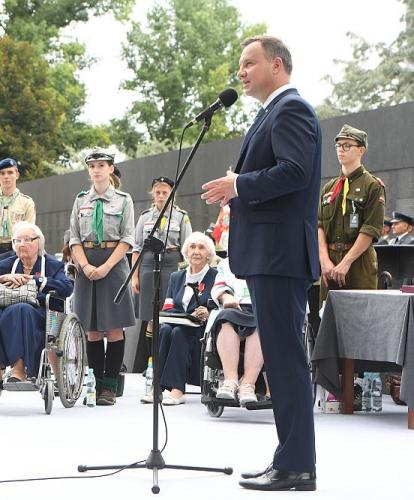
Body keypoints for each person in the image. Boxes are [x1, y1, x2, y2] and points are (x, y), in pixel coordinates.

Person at [202, 35, 320, 491]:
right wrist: (239, 184)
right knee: (284, 359)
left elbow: (294, 172)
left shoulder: (291, 109)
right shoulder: (270, 112)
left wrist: (239, 185)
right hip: (271, 254)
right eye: (239, 65)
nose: (241, 72)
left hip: (281, 255)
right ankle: (290, 459)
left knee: (286, 360)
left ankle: (296, 465)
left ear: (277, 64)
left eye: (249, 63)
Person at [0, 222, 72, 387]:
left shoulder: (52, 264)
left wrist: (35, 280)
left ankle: (19, 371)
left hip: (38, 313)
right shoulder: (6, 264)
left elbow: (66, 288)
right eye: (17, 240)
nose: (22, 244)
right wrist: (1, 278)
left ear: (39, 242)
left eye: (27, 239)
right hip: (3, 308)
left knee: (19, 309)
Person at [68, 149, 136, 406]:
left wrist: (106, 267)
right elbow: (74, 237)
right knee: (93, 329)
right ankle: (96, 383)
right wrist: (84, 265)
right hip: (86, 264)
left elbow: (128, 238)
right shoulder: (80, 200)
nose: (96, 169)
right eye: (92, 165)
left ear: (110, 169)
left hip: (113, 264)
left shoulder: (123, 200)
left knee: (114, 327)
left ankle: (109, 386)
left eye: (101, 165)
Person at [317, 124, 385, 303]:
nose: (341, 149)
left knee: (361, 321)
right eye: (338, 145)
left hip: (358, 264)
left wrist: (346, 263)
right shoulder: (329, 188)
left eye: (347, 145)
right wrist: (324, 261)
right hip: (330, 264)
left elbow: (370, 229)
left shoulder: (372, 185)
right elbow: (319, 226)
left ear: (361, 150)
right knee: (329, 322)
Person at [131, 176, 192, 362]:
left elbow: (187, 249)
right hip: (148, 264)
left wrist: (185, 275)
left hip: (172, 264)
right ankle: (152, 361)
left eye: (165, 192)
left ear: (172, 195)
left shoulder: (181, 217)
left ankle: (165, 359)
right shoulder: (144, 217)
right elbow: (136, 248)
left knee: (168, 313)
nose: (161, 196)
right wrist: (135, 277)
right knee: (150, 317)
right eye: (157, 192)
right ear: (153, 194)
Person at [154, 232, 217, 406]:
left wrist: (208, 311)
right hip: (178, 326)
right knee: (166, 329)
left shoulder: (215, 276)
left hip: (202, 331)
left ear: (208, 254)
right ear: (186, 252)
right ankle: (158, 388)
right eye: (192, 247)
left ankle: (177, 389)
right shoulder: (176, 277)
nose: (196, 251)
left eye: (201, 247)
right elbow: (168, 307)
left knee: (179, 333)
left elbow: (220, 305)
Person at [210, 257, 265, 405]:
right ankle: (230, 381)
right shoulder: (226, 263)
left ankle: (248, 385)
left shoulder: (271, 258)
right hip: (236, 306)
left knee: (262, 323)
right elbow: (219, 286)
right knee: (225, 318)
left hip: (264, 308)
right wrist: (226, 296)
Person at [0, 158, 36, 277]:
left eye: (10, 172)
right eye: (2, 173)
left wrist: (20, 257)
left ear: (17, 175)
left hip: (15, 251)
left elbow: (30, 235)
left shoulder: (26, 202)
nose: (6, 177)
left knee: (16, 291)